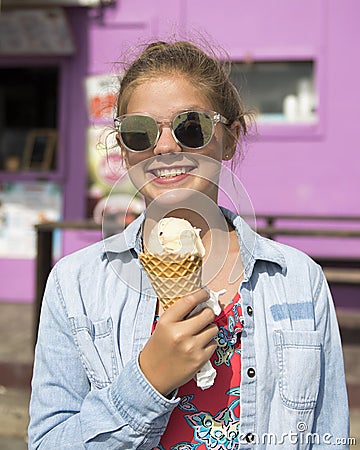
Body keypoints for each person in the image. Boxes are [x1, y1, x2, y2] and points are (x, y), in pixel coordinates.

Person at [28, 40, 349, 449]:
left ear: (229, 139)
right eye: (139, 132)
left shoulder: (299, 279)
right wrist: (148, 381)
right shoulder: (74, 284)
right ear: (123, 149)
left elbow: (329, 438)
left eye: (190, 126)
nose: (164, 147)